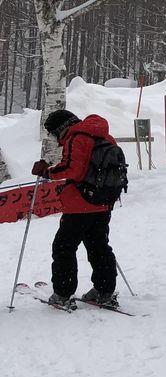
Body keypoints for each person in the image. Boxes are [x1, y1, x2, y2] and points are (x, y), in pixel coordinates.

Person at [31, 109, 121, 308]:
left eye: (54, 133)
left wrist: (46, 171)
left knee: (63, 247)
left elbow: (73, 170)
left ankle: (63, 294)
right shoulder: (105, 136)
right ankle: (104, 291)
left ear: (62, 128)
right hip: (103, 202)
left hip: (80, 204)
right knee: (99, 246)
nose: (55, 138)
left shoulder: (77, 138)